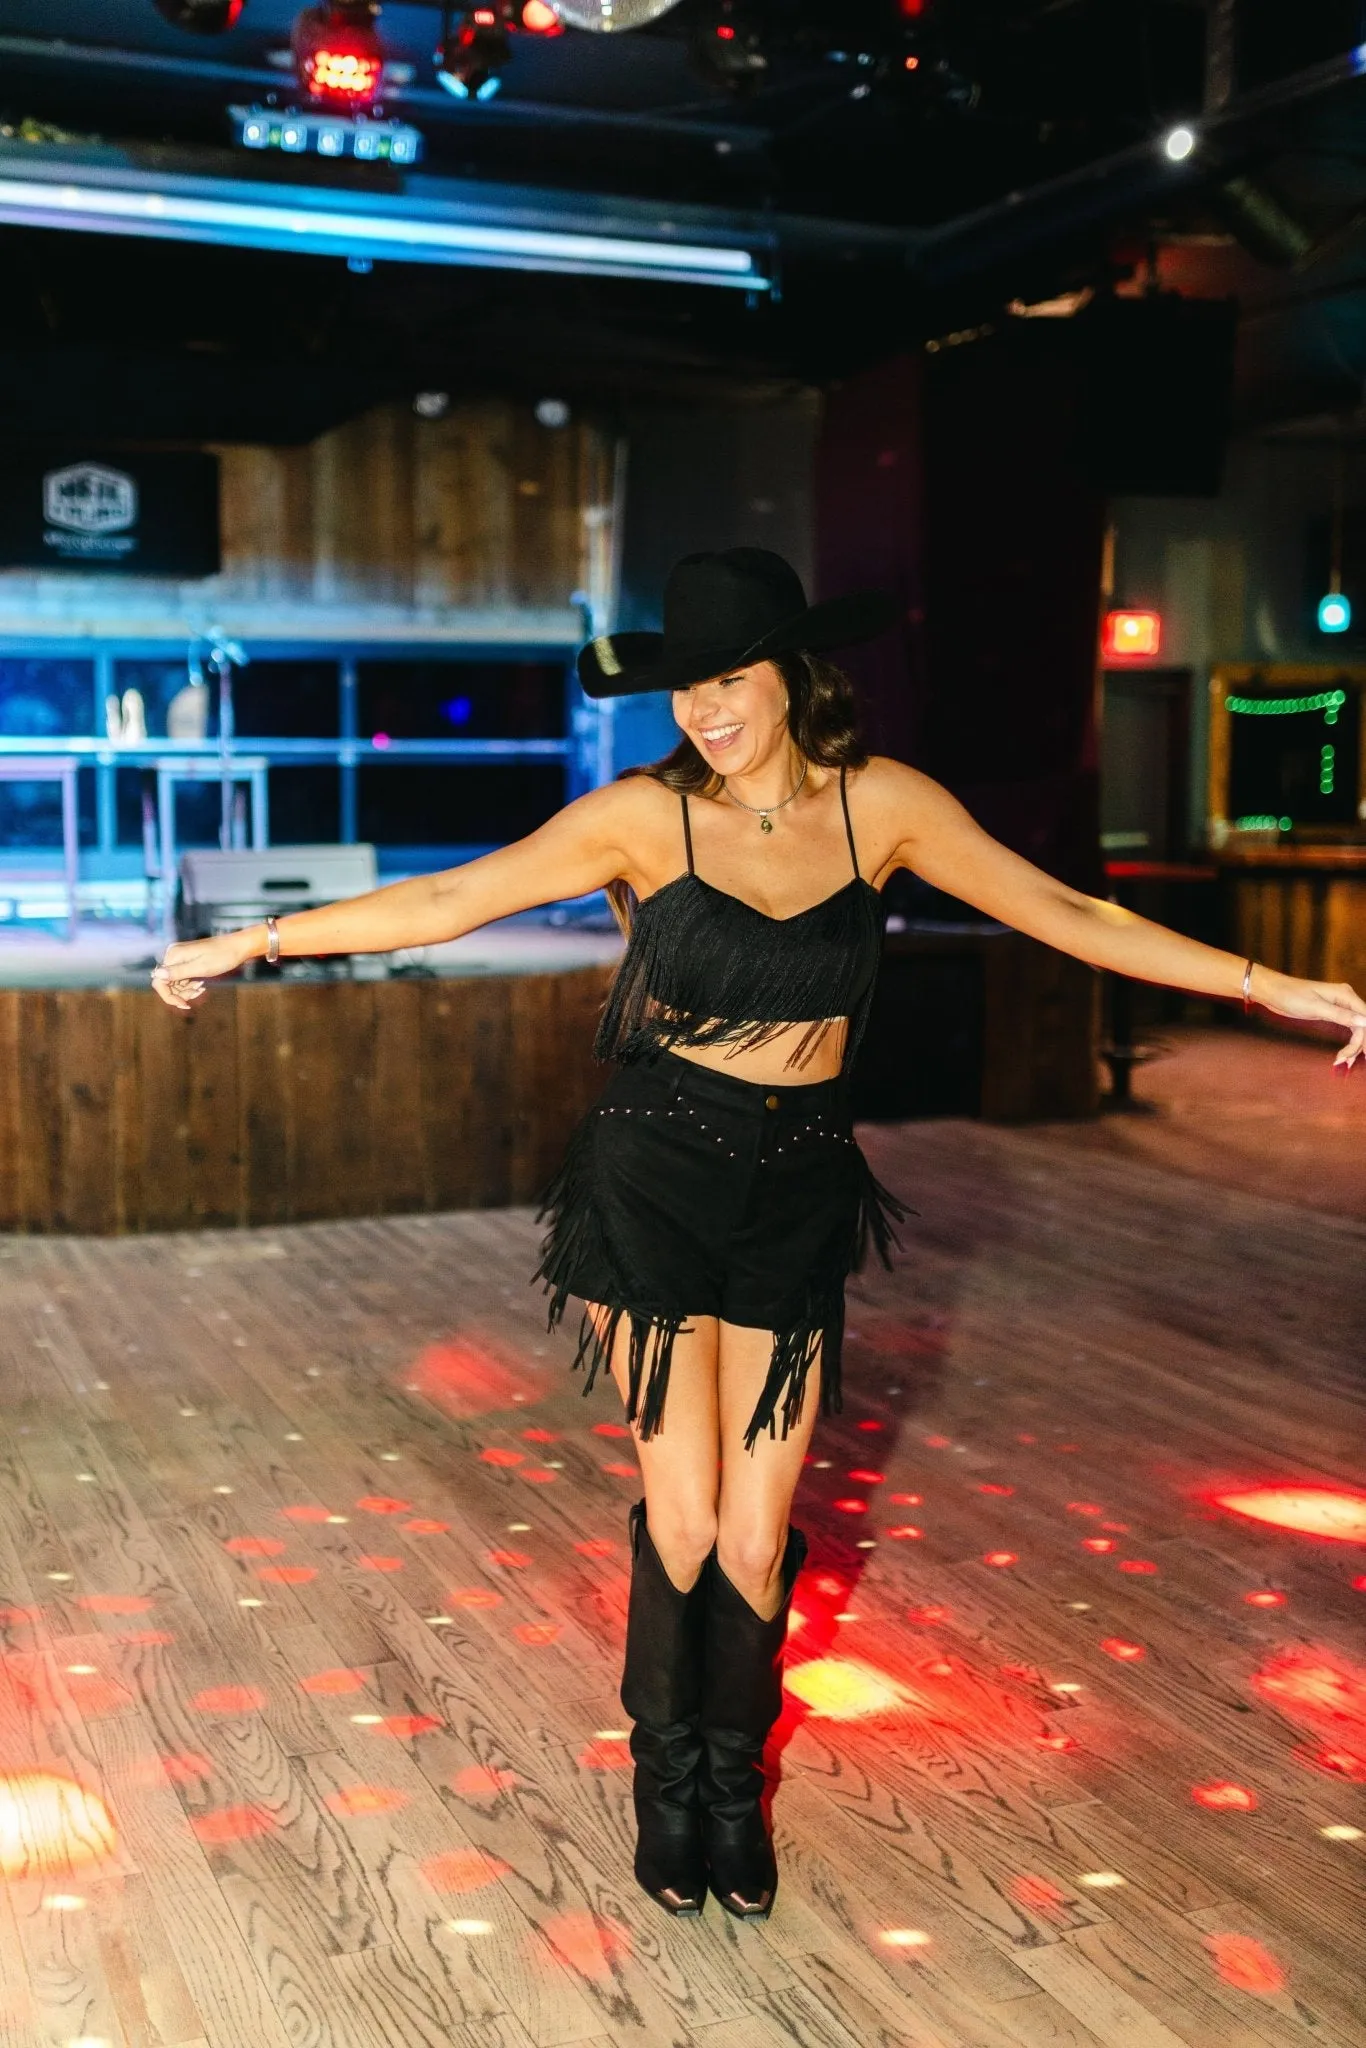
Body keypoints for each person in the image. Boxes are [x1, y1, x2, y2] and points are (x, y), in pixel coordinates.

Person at [152, 547, 1366, 1924]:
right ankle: (672, 1791)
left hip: (796, 1183)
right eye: (685, 686)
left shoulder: (884, 806)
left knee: (756, 1523)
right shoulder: (637, 820)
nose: (705, 710)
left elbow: (1068, 913)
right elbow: (443, 900)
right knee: (680, 1510)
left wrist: (1275, 986)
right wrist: (248, 944)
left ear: (794, 675)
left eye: (729, 679)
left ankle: (736, 1785)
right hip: (653, 1172)